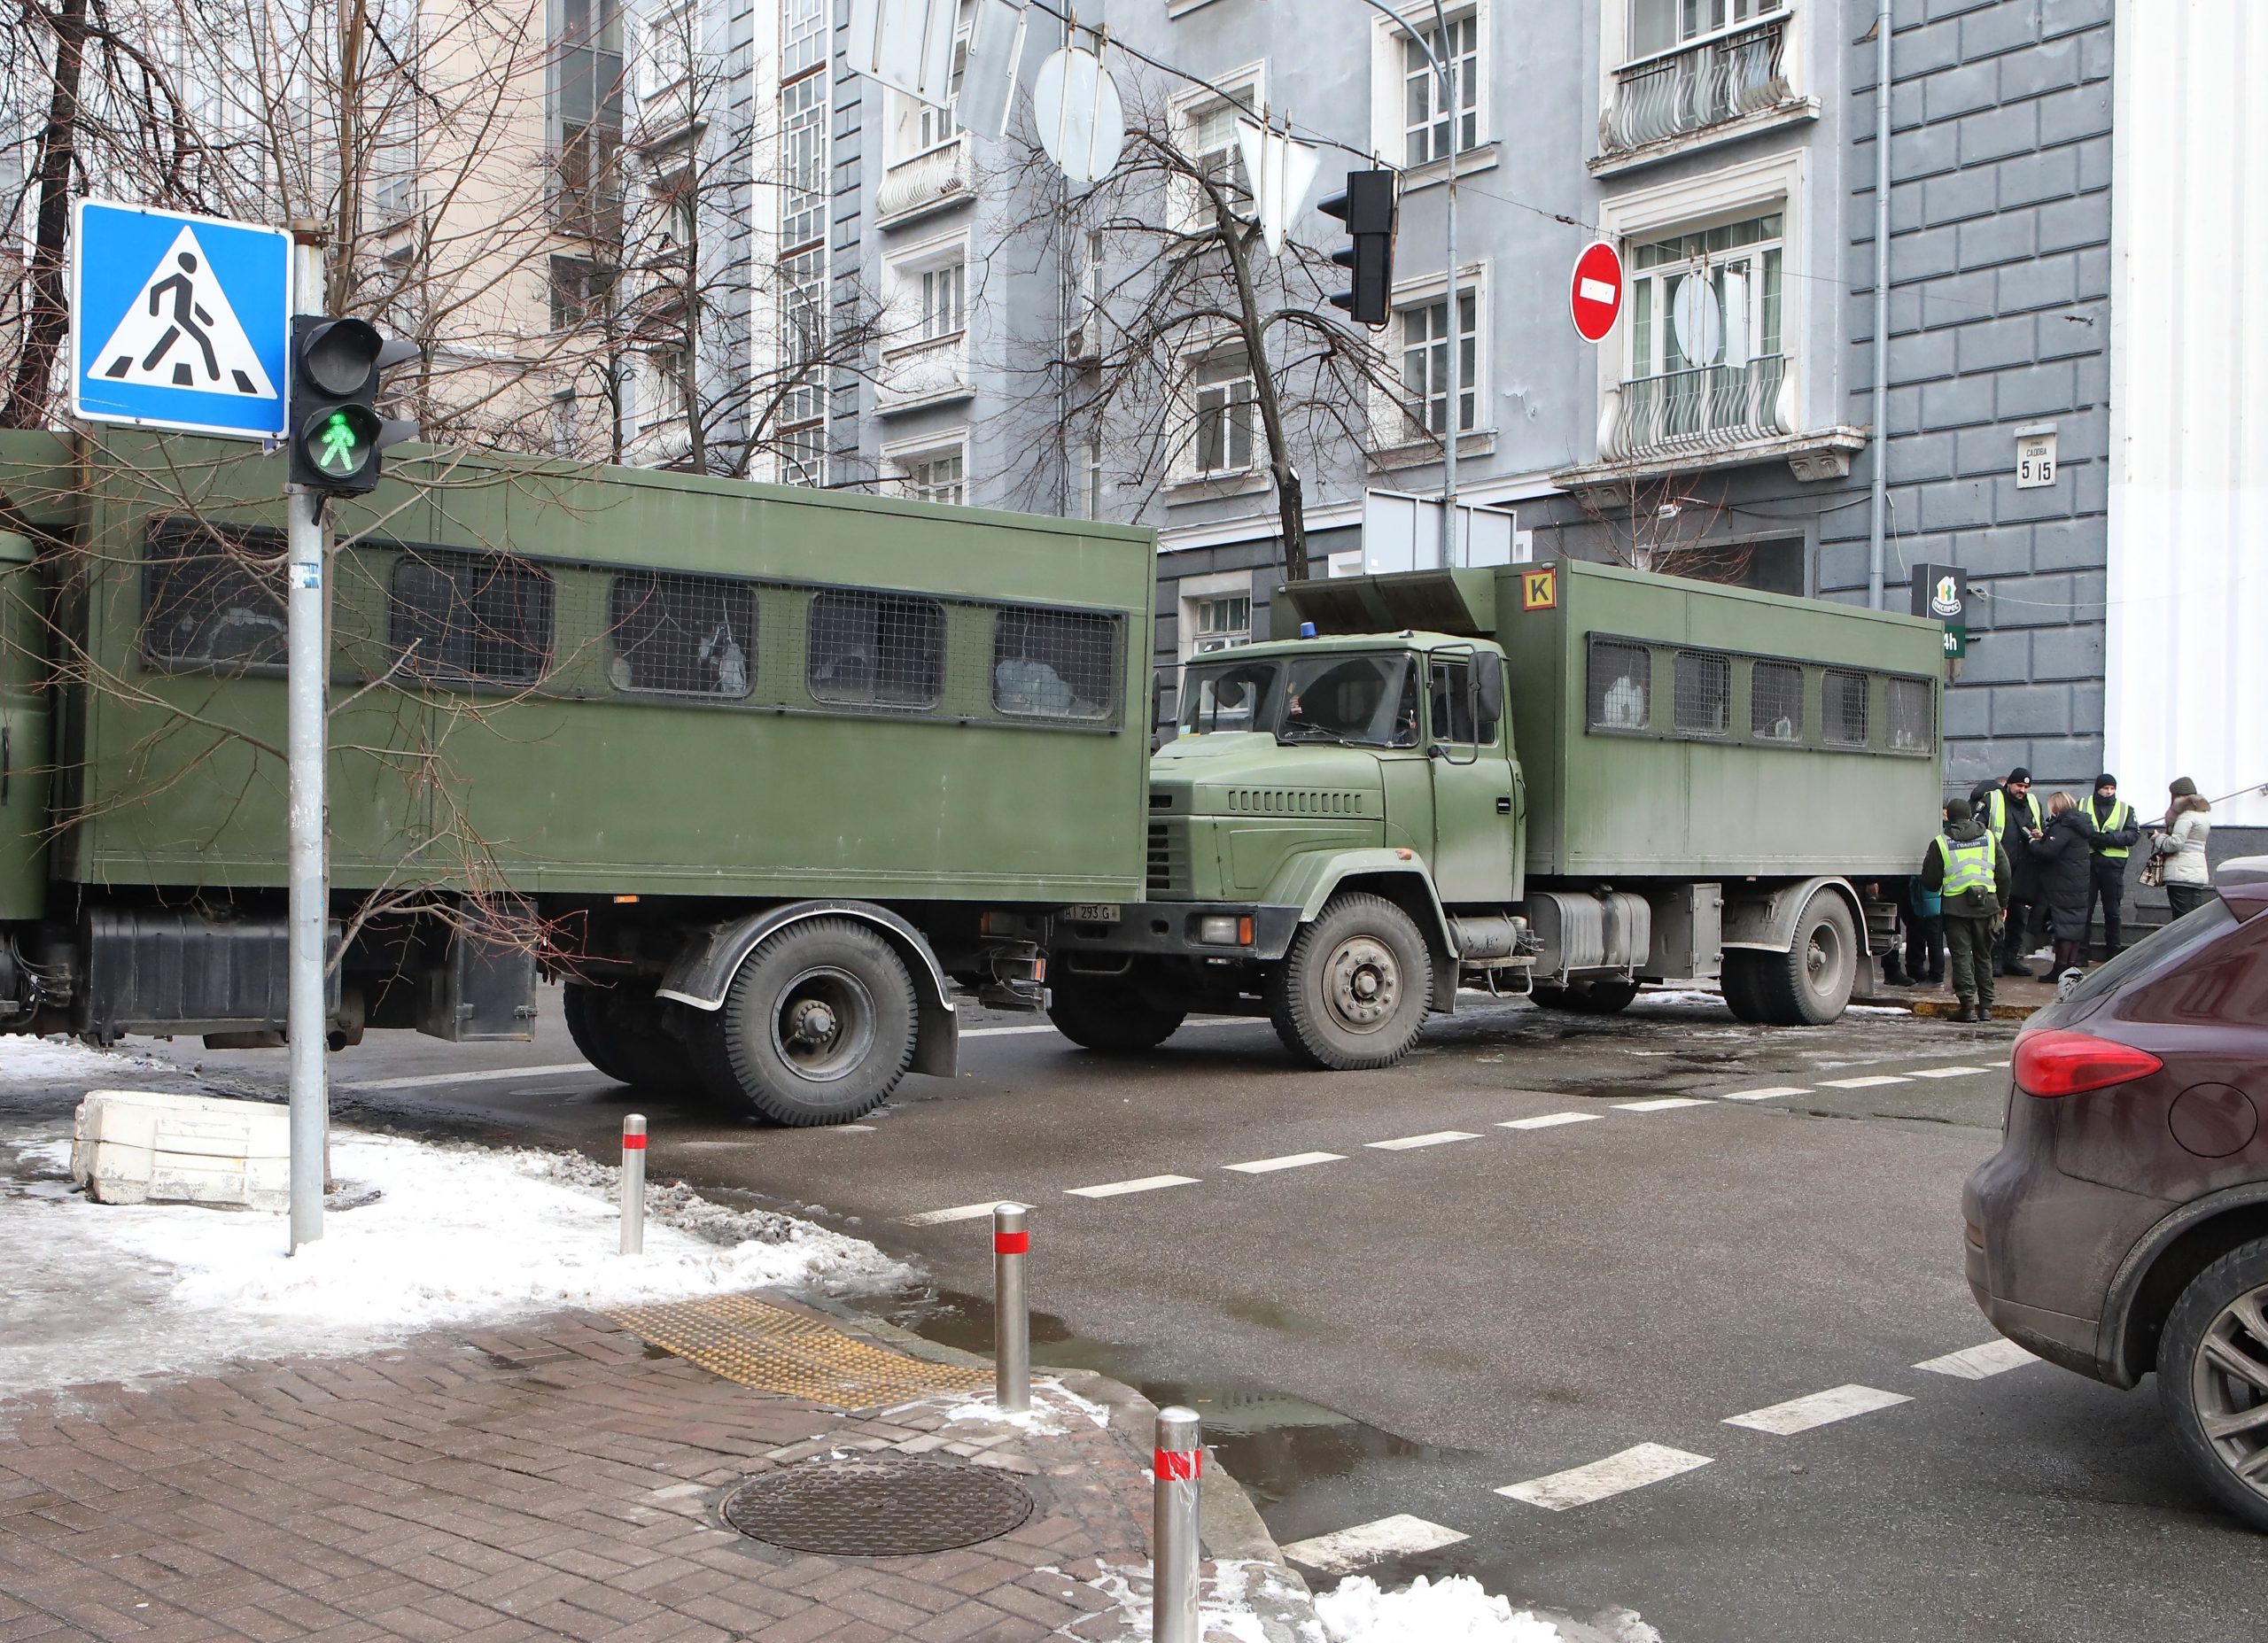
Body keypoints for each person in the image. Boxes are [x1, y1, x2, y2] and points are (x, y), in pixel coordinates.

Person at [1922, 797, 2010, 1023]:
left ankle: (1968, 1008)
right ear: (1970, 814)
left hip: (1956, 910)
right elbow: (2005, 873)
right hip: (1987, 906)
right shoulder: (1989, 838)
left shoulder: (1941, 842)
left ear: (1948, 817)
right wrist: (2002, 904)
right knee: (1984, 956)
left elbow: (1930, 882)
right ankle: (1987, 1008)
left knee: (1961, 957)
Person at [2028, 792, 2097, 977]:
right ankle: (2069, 966)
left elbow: (2048, 852)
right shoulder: (2079, 824)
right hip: (2078, 882)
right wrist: (2045, 836)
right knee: (2074, 925)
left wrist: (2033, 843)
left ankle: (2060, 969)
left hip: (2063, 882)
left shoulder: (2063, 825)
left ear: (2056, 806)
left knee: (2064, 926)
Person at [1984, 767, 2045, 977]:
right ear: (2009, 784)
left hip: (2024, 869)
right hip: (1998, 867)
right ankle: (1995, 959)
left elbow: (2040, 826)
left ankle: (2012, 958)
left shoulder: (2033, 803)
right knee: (1998, 916)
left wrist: (2040, 834)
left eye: (2026, 787)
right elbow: (1981, 828)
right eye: (2019, 785)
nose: (2023, 790)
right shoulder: (1994, 800)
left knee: (2019, 916)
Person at [2083, 773, 2140, 959]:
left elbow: (2133, 835)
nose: (2108, 792)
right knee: (2085, 909)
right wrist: (2092, 838)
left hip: (2112, 864)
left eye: (2112, 789)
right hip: (2088, 862)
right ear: (2097, 788)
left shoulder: (2125, 809)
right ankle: (2082, 953)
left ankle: (2113, 952)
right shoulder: (2083, 804)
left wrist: (2108, 839)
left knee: (2112, 910)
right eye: (2105, 788)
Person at [2150, 777, 2215, 919]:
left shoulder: (2185, 817)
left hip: (2180, 873)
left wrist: (2157, 838)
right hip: (2196, 872)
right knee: (2193, 919)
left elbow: (2175, 843)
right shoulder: (2202, 816)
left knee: (2181, 920)